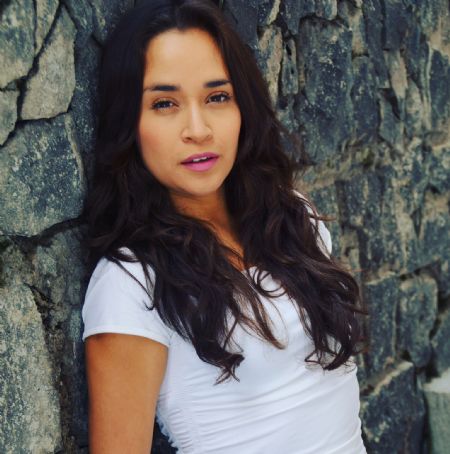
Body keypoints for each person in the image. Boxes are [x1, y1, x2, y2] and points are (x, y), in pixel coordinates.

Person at [81, 0, 369, 452]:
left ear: (242, 108)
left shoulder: (293, 219)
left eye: (217, 97)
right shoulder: (131, 283)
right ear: (129, 124)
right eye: (164, 103)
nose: (198, 129)